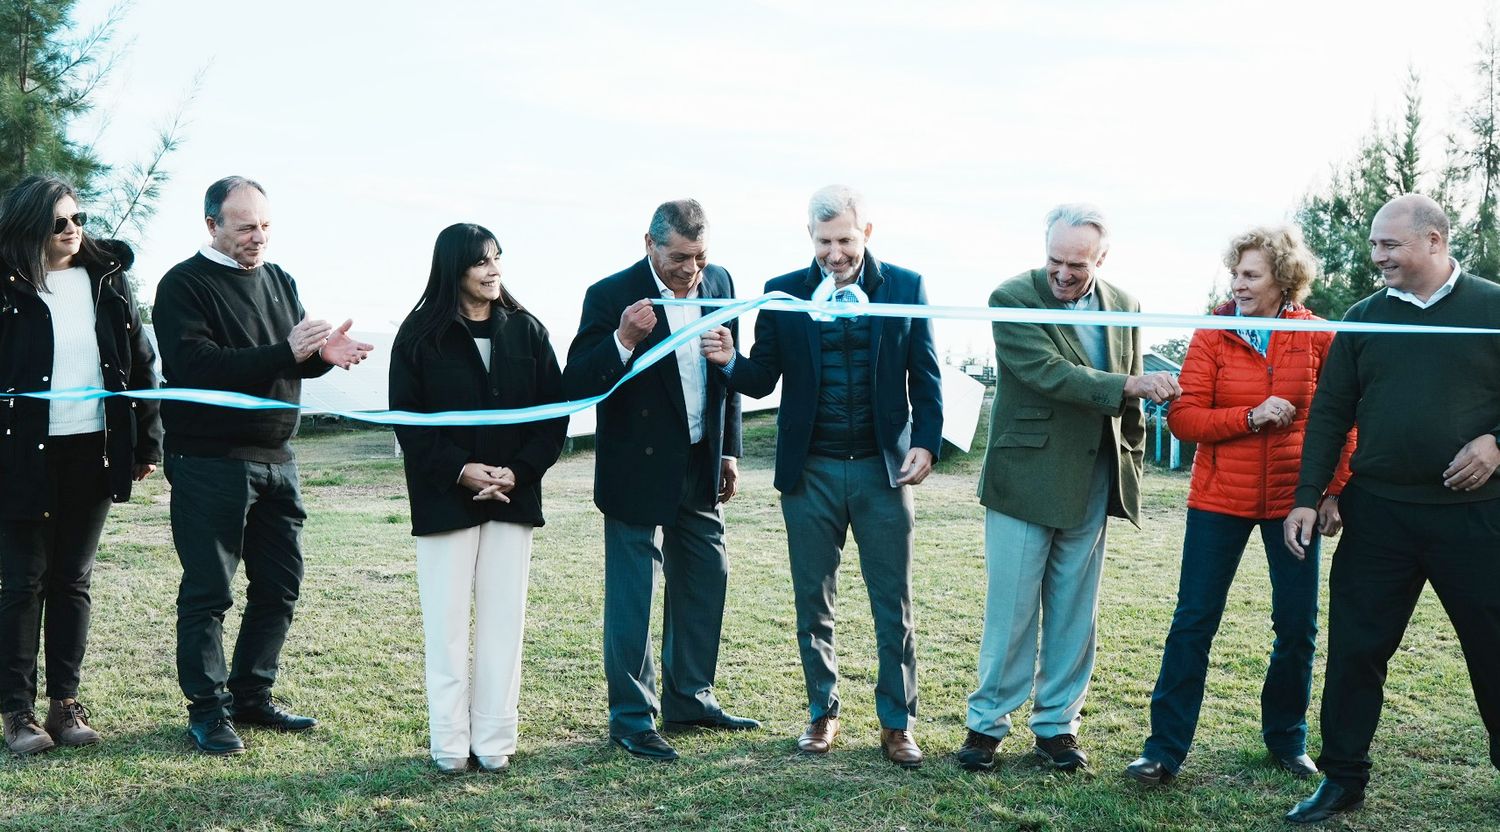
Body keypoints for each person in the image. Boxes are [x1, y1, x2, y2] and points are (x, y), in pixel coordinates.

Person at [701, 184, 942, 768]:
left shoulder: (906, 287)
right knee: (814, 601)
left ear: (867, 233)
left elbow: (928, 378)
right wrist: (728, 360)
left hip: (884, 474)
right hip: (810, 473)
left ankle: (897, 723)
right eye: (824, 241)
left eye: (845, 240)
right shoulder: (782, 292)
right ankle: (821, 712)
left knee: (894, 603)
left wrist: (927, 445)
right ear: (809, 237)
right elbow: (761, 379)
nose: (835, 253)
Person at [1283, 194, 1500, 824]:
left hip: (1477, 518)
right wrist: (1307, 496)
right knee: (1355, 649)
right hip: (1379, 517)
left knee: (1494, 649)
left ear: (1434, 240)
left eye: (1389, 245)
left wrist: (1497, 443)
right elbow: (1329, 413)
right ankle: (1343, 777)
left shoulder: (1494, 308)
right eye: (1374, 245)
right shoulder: (1362, 318)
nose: (1376, 256)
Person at [1124, 225, 1356, 786]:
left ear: (1284, 279)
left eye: (1251, 274)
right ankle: (1164, 750)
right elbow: (1183, 419)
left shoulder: (1320, 337)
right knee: (1193, 622)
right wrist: (1250, 417)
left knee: (1296, 626)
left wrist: (1333, 492)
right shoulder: (1213, 332)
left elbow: (1345, 420)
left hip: (1292, 503)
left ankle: (1286, 741)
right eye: (1236, 273)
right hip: (1218, 499)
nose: (1238, 284)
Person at [152, 176, 373, 755]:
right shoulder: (183, 285)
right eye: (246, 227)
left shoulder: (280, 279)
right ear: (211, 226)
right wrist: (289, 352)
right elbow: (196, 366)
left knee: (279, 586)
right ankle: (208, 710)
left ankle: (251, 696)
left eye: (265, 226)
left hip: (279, 459)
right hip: (209, 461)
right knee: (209, 591)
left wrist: (324, 358)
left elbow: (287, 362)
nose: (259, 238)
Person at [959, 203, 1181, 773]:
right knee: (1010, 611)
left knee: (1074, 614)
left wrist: (1128, 452)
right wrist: (1131, 385)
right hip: (1025, 478)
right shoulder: (1010, 298)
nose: (1062, 273)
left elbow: (1128, 397)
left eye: (1077, 265)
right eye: (1054, 260)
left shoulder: (1126, 305)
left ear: (1101, 259)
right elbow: (1047, 373)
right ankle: (986, 726)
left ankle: (1057, 727)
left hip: (1093, 477)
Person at [562, 199, 755, 762]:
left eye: (699, 257)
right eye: (678, 257)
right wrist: (621, 340)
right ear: (649, 243)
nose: (691, 270)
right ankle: (631, 718)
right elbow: (576, 381)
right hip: (636, 470)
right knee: (634, 597)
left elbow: (728, 371)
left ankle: (690, 699)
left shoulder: (720, 282)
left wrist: (729, 452)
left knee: (705, 578)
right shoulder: (609, 295)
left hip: (701, 460)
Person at [390, 223, 567, 774]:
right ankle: (448, 744)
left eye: (498, 260)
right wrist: (462, 471)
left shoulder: (529, 331)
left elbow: (553, 415)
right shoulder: (418, 335)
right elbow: (409, 423)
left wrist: (518, 472)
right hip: (446, 500)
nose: (494, 271)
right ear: (454, 270)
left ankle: (493, 743)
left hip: (514, 498)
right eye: (481, 263)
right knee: (444, 627)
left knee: (502, 625)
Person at [0, 175, 162, 755]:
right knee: (23, 582)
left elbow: (140, 365)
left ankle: (65, 704)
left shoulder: (107, 283)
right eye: (59, 223)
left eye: (78, 218)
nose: (74, 231)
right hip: (19, 456)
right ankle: (17, 713)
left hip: (92, 451)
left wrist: (146, 443)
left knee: (73, 580)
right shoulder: (7, 287)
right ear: (27, 230)